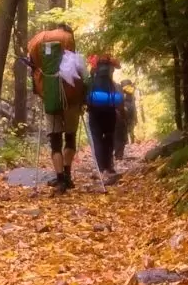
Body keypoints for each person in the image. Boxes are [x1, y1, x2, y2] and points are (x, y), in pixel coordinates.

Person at [27, 23, 85, 194]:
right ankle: (67, 175)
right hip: (71, 98)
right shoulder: (68, 41)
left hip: (50, 98)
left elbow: (33, 71)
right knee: (70, 137)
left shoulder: (37, 42)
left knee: (55, 141)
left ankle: (60, 178)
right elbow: (79, 71)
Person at [86, 53, 122, 183]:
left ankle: (100, 168)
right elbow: (119, 66)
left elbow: (86, 93)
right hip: (110, 110)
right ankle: (109, 166)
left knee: (97, 139)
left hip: (94, 112)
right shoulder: (111, 82)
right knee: (109, 137)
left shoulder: (92, 78)